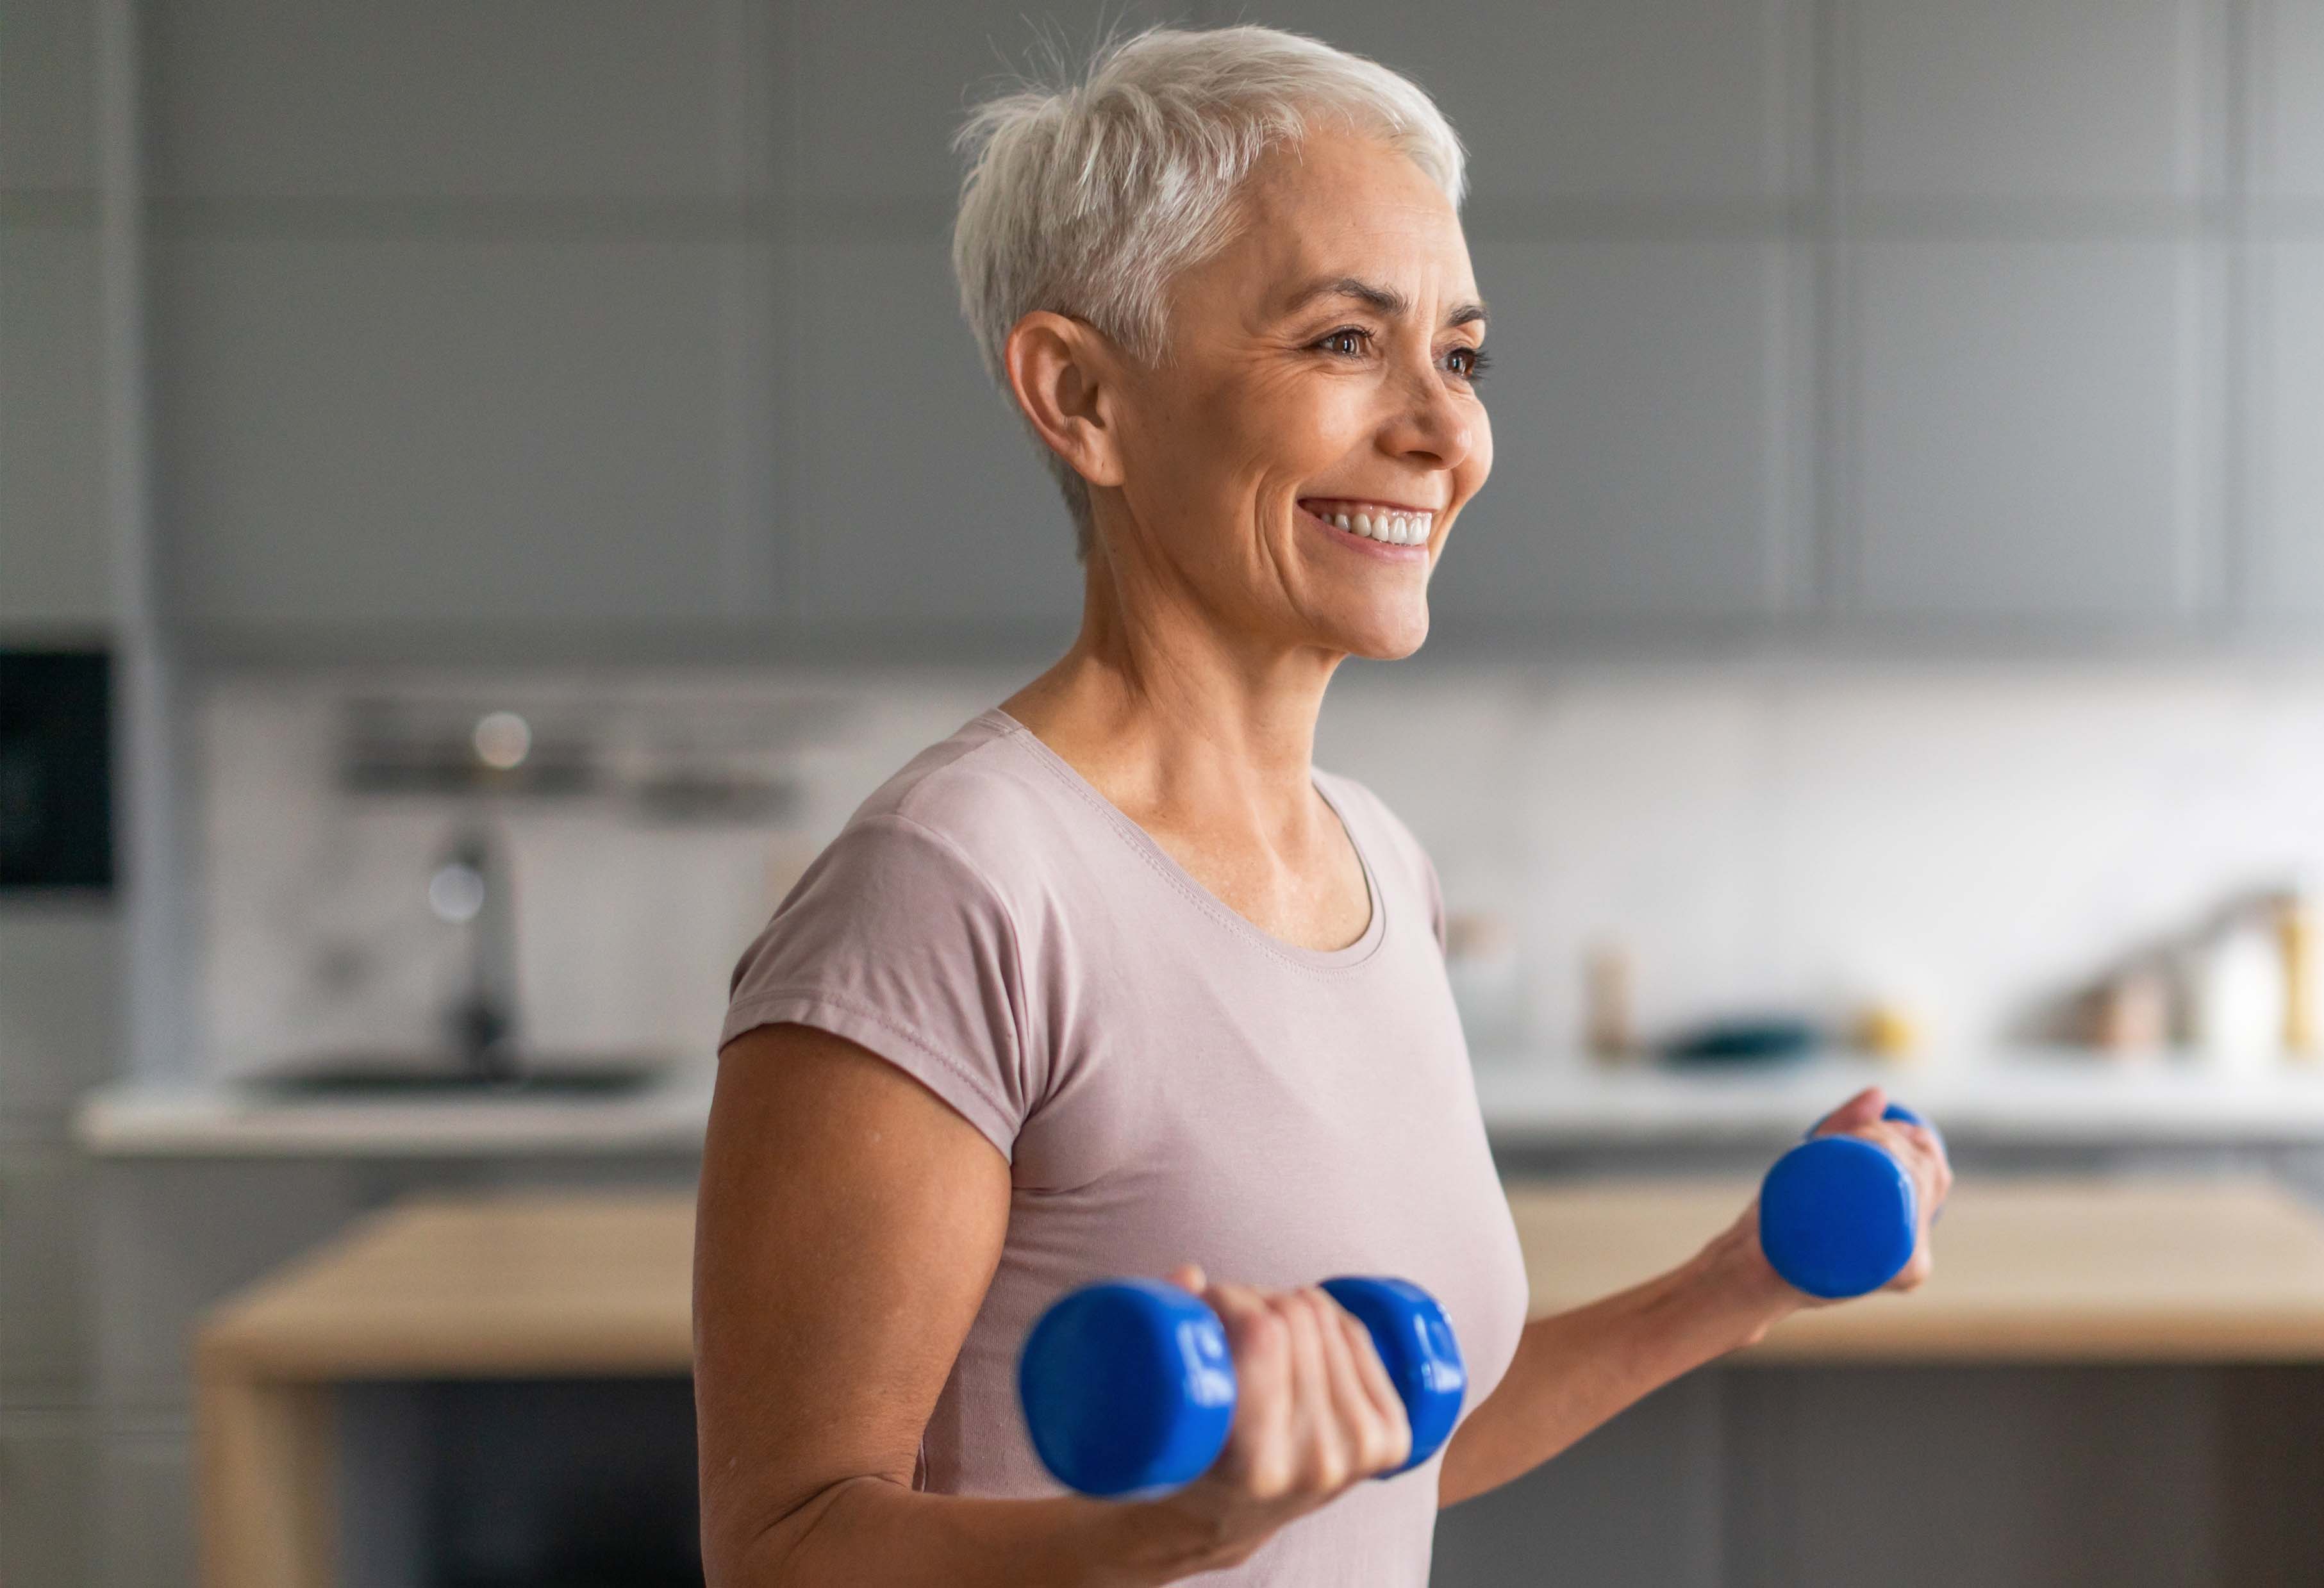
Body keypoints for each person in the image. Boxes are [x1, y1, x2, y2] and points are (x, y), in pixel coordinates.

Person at [690, 25, 1951, 1586]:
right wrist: (1177, 1532)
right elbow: (785, 1552)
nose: (1445, 431)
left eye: (1462, 354)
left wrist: (1730, 1281)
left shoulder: (1375, 860)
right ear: (1079, 394)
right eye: (1346, 342)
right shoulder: (953, 888)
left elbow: (1390, 1459)